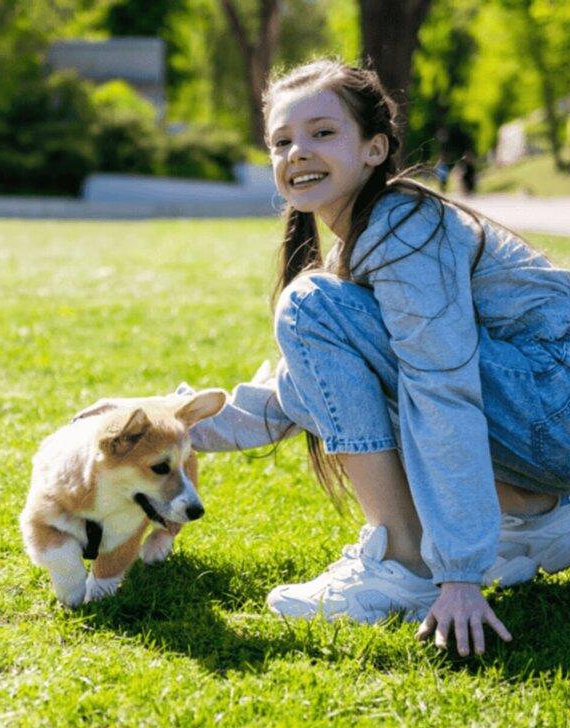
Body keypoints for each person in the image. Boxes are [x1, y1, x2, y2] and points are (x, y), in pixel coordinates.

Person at [90, 60, 570, 657]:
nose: (297, 152)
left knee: (312, 306)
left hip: (555, 402)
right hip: (545, 415)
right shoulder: (366, 242)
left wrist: (460, 575)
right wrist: (157, 423)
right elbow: (305, 391)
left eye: (322, 133)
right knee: (320, 318)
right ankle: (538, 511)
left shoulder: (404, 228)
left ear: (374, 149)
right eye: (281, 141)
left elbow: (443, 388)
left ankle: (407, 563)